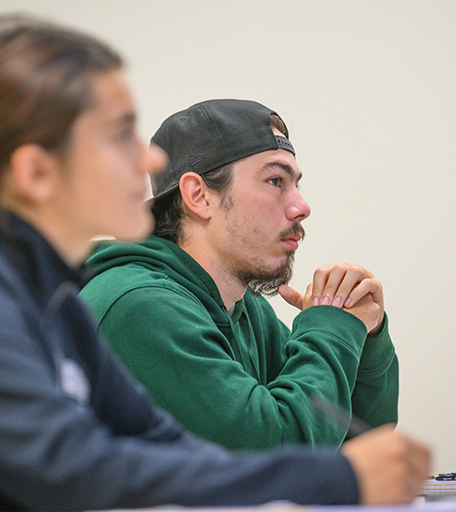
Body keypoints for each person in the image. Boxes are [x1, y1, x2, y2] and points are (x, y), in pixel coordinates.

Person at [0, 14, 431, 512]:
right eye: (121, 134)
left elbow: (164, 445)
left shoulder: (51, 298)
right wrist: (333, 479)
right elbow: (76, 471)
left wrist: (339, 472)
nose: (149, 160)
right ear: (37, 173)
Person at [80, 98, 399, 450]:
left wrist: (362, 334)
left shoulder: (245, 310)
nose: (302, 206)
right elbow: (275, 456)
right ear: (199, 196)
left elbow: (360, 444)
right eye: (275, 180)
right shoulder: (139, 306)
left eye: (296, 184)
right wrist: (331, 330)